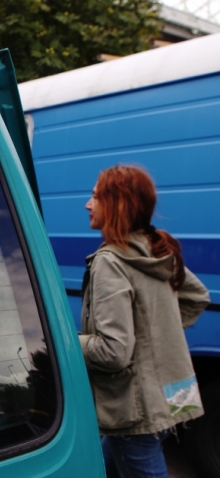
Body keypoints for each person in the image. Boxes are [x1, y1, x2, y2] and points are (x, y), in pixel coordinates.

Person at [79, 165, 209, 477]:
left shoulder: (110, 262)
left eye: (96, 196)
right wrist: (158, 339)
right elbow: (197, 297)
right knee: (97, 464)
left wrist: (65, 342)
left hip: (135, 406)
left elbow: (113, 353)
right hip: (172, 394)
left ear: (116, 204)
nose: (87, 203)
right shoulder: (157, 248)